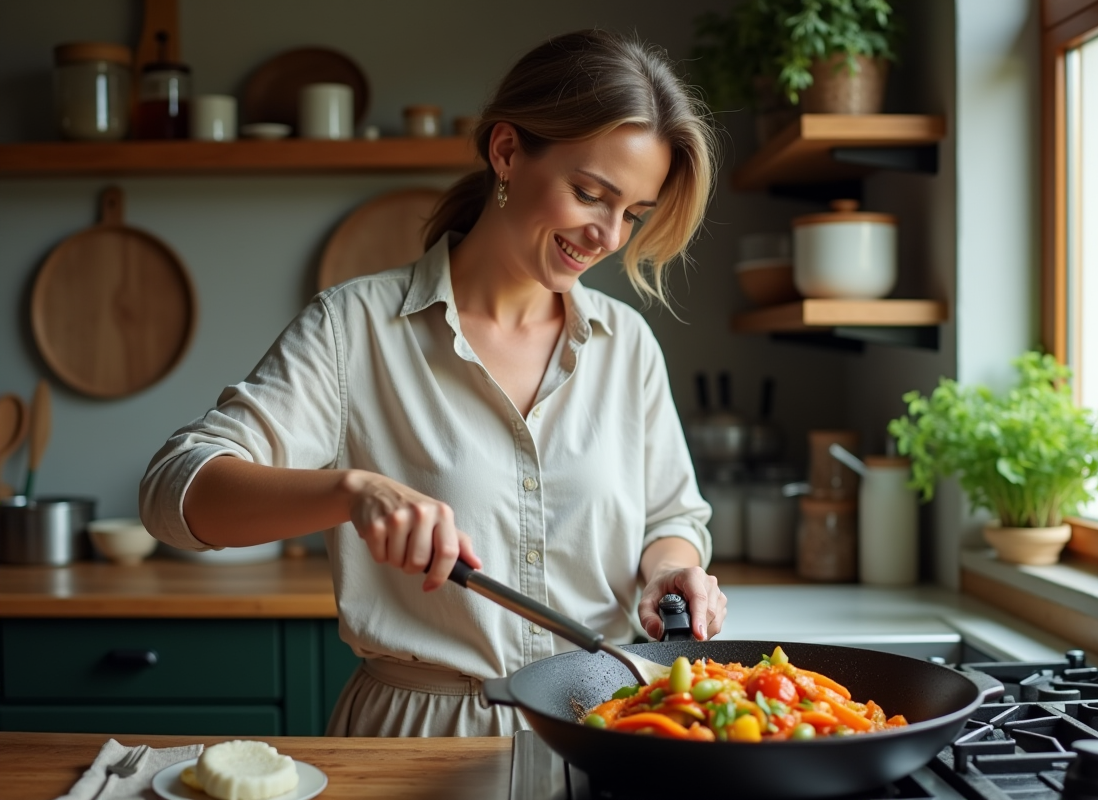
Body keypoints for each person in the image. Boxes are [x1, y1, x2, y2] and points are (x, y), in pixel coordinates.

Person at [140, 28, 724, 737]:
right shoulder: (353, 328)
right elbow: (173, 491)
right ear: (506, 151)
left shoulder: (625, 343)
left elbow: (671, 519)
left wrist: (671, 571)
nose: (608, 236)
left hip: (604, 731)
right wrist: (351, 492)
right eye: (590, 194)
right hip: (419, 736)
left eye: (633, 213)